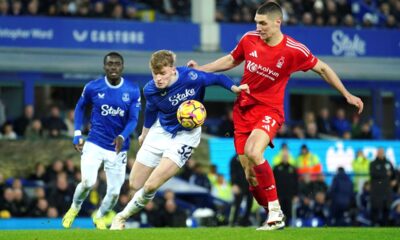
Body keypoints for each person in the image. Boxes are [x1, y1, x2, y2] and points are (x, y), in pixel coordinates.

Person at [187, 1, 363, 230]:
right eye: (256, 23)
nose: (258, 27)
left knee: (253, 150)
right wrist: (201, 69)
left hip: (269, 111)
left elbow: (323, 68)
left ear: (277, 22)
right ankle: (272, 214)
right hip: (243, 111)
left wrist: (346, 94)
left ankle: (276, 212)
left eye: (263, 23)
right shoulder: (249, 39)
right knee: (250, 176)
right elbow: (231, 60)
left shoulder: (293, 50)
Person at [110, 50, 249, 230]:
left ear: (173, 70)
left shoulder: (191, 76)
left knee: (151, 185)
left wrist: (234, 88)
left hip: (186, 136)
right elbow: (151, 111)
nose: (158, 78)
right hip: (161, 131)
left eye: (162, 73)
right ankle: (145, 200)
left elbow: (217, 78)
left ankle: (121, 218)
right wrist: (144, 133)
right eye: (155, 74)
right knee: (135, 183)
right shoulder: (150, 89)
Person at [62, 52, 141, 229]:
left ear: (122, 67)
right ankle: (74, 208)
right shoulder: (93, 87)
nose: (113, 67)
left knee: (113, 193)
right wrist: (77, 133)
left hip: (118, 147)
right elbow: (80, 107)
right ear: (104, 66)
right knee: (88, 182)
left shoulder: (132, 89)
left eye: (117, 64)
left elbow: (133, 119)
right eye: (110, 64)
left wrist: (122, 136)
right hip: (95, 142)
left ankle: (99, 216)